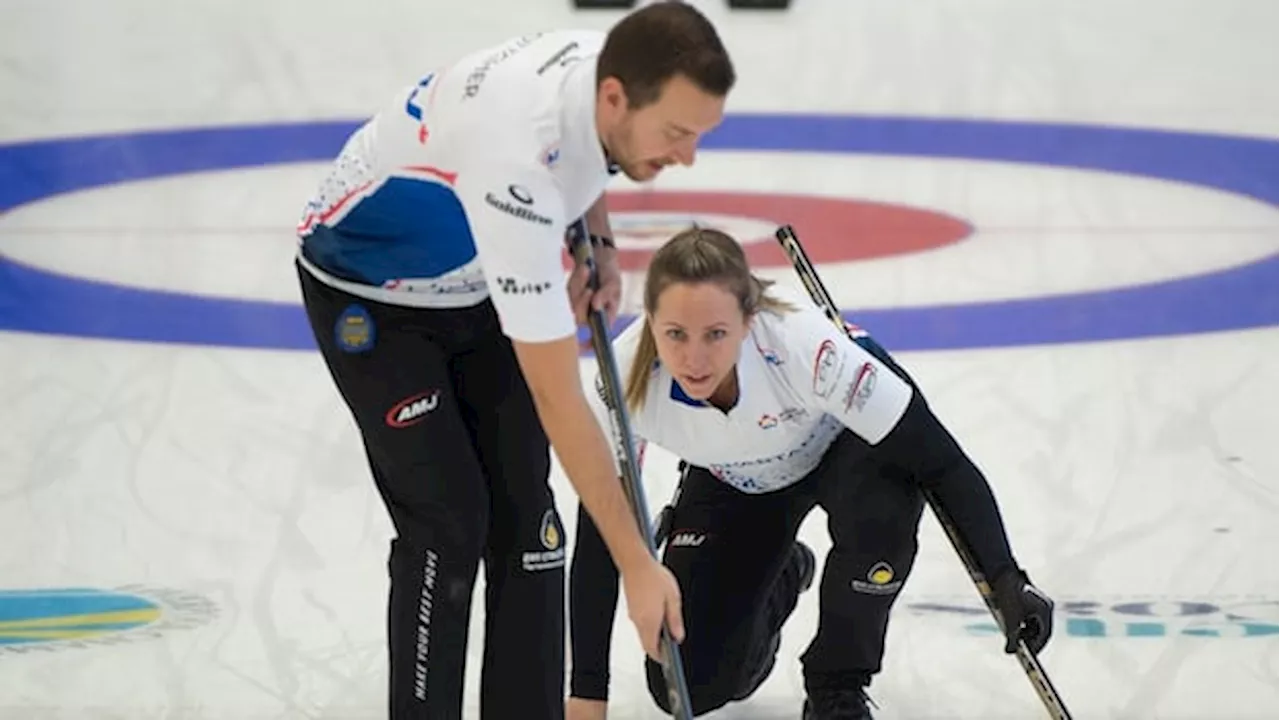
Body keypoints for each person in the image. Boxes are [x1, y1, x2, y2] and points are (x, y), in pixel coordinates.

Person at [291, 3, 735, 718]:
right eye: (678, 134)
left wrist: (602, 246)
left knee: (532, 524)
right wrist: (637, 565)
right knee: (450, 522)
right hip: (371, 295)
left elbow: (587, 164)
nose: (688, 156)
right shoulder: (517, 166)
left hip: (477, 276)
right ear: (616, 97)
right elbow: (561, 400)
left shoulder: (607, 66)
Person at [565, 227, 1055, 719]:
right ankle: (783, 574)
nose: (694, 359)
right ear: (650, 321)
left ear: (749, 319)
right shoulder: (622, 379)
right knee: (686, 685)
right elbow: (603, 523)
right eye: (675, 334)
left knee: (885, 514)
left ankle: (836, 682)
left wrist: (1007, 577)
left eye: (716, 334)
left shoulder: (806, 350)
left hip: (842, 446)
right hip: (735, 475)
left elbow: (941, 462)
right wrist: (588, 692)